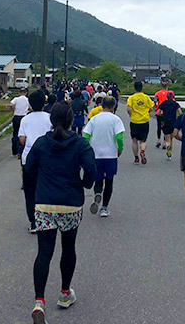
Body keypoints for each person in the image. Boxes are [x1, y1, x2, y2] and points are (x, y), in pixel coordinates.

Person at [25, 103, 96, 324]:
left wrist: (36, 189)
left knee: (44, 253)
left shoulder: (41, 143)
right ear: (70, 120)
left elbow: (29, 170)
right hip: (71, 203)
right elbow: (91, 169)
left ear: (51, 120)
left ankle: (39, 302)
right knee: (68, 247)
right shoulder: (80, 144)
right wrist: (85, 184)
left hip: (45, 203)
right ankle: (65, 293)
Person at [83, 96, 125, 217]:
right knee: (109, 181)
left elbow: (86, 135)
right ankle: (104, 208)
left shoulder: (94, 119)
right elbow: (119, 137)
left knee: (98, 179)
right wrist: (119, 149)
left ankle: (97, 193)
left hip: (96, 154)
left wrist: (88, 149)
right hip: (110, 154)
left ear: (101, 105)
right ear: (113, 106)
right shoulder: (116, 119)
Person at [19, 90, 53, 232]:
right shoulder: (50, 118)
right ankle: (47, 218)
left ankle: (33, 222)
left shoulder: (25, 119)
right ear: (44, 103)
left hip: (29, 159)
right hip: (48, 159)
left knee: (30, 191)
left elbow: (22, 139)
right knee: (47, 189)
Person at [126, 80, 155, 165]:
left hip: (134, 121)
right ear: (142, 88)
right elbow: (152, 108)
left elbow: (128, 109)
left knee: (134, 140)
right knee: (143, 140)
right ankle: (142, 151)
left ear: (134, 88)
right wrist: (146, 112)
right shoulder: (146, 97)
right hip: (144, 121)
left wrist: (131, 114)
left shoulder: (131, 98)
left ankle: (136, 158)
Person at [157, 90, 182, 160]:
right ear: (173, 96)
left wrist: (162, 115)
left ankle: (168, 151)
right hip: (173, 122)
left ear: (167, 96)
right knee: (171, 138)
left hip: (165, 122)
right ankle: (170, 151)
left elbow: (158, 113)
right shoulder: (175, 104)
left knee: (167, 138)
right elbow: (180, 113)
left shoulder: (163, 103)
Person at [9, 88, 31, 158]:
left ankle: (15, 151)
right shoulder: (27, 100)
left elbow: (11, 105)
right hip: (24, 118)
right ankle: (21, 151)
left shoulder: (16, 99)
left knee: (15, 134)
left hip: (16, 117)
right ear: (26, 93)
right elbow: (30, 108)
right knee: (24, 134)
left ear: (19, 93)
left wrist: (13, 109)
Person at [153, 81, 170, 149]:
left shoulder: (157, 93)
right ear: (166, 86)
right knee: (165, 127)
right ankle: (164, 142)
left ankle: (158, 140)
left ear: (161, 86)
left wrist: (156, 107)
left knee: (159, 127)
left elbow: (155, 101)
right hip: (166, 113)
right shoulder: (168, 94)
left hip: (159, 112)